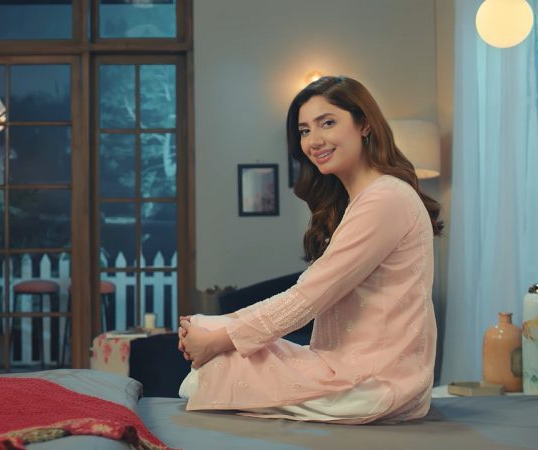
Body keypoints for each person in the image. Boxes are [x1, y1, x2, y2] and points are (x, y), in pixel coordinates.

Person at [177, 76, 442, 424]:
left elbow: (307, 298)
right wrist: (216, 330)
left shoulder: (385, 199)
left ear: (364, 124)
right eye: (304, 131)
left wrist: (216, 341)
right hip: (344, 367)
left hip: (377, 383)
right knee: (207, 329)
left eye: (327, 123)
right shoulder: (361, 201)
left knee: (214, 360)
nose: (313, 141)